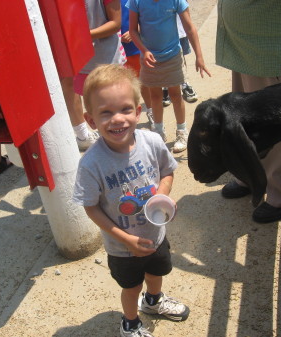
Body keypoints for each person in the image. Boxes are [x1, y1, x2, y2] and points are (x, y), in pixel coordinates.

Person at [72, 64, 189, 337]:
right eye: (106, 113)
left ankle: (154, 301)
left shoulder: (152, 141)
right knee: (131, 286)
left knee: (157, 272)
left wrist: (162, 194)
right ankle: (130, 323)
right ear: (91, 121)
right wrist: (126, 240)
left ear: (138, 111)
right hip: (122, 248)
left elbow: (167, 171)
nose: (117, 119)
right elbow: (90, 207)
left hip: (156, 233)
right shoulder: (91, 164)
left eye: (125, 109)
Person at [216, 0, 281, 223]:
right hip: (243, 45)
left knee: (277, 125)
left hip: (271, 47)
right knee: (244, 117)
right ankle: (251, 176)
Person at [128, 0, 211, 153]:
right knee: (155, 96)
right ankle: (158, 132)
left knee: (176, 94)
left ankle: (182, 132)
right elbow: (132, 30)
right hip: (149, 57)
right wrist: (144, 50)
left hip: (172, 56)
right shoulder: (136, 2)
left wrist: (199, 56)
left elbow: (190, 28)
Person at [61, 0, 123, 151]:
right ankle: (84, 136)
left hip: (106, 57)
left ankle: (120, 142)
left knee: (114, 104)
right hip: (76, 56)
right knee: (91, 106)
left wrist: (83, 35)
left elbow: (116, 23)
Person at [120, 0, 154, 130]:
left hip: (135, 47)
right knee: (123, 87)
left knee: (143, 83)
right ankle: (128, 116)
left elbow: (146, 17)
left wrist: (135, 30)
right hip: (116, 49)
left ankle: (151, 111)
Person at [162, 14, 199, 107]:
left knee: (181, 56)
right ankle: (165, 86)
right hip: (160, 29)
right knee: (163, 57)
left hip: (178, 26)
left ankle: (184, 83)